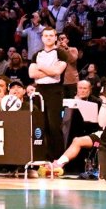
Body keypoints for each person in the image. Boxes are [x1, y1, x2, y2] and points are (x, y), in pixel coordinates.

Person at [29, 26, 68, 162]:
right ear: (42, 38)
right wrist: (48, 70)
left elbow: (57, 72)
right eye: (46, 36)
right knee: (41, 125)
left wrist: (40, 67)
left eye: (51, 35)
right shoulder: (37, 54)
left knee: (54, 125)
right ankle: (42, 157)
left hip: (55, 91)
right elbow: (31, 74)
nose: (49, 38)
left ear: (56, 37)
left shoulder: (60, 53)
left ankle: (57, 158)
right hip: (40, 91)